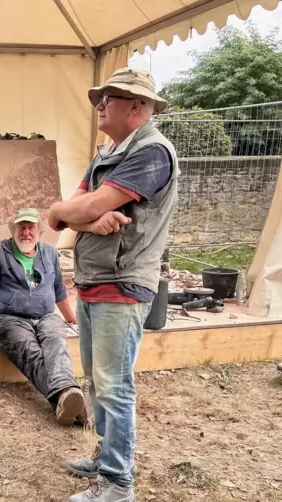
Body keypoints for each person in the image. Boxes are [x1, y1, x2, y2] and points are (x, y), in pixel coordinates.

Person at [46, 68, 178, 502]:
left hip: (122, 283)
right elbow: (59, 213)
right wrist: (82, 214)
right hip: (94, 280)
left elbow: (87, 204)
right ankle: (108, 460)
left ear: (137, 106)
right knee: (100, 382)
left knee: (114, 384)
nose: (100, 104)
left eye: (111, 97)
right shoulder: (110, 152)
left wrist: (81, 211)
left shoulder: (152, 152)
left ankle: (118, 483)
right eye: (100, 97)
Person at [0, 208, 87, 426]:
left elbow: (59, 290)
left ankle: (65, 398)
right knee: (30, 351)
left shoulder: (50, 254)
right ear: (13, 229)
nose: (26, 232)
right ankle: (68, 395)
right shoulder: (0, 253)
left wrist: (72, 318)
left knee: (56, 343)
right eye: (21, 227)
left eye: (31, 227)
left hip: (45, 316)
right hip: (10, 319)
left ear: (39, 231)